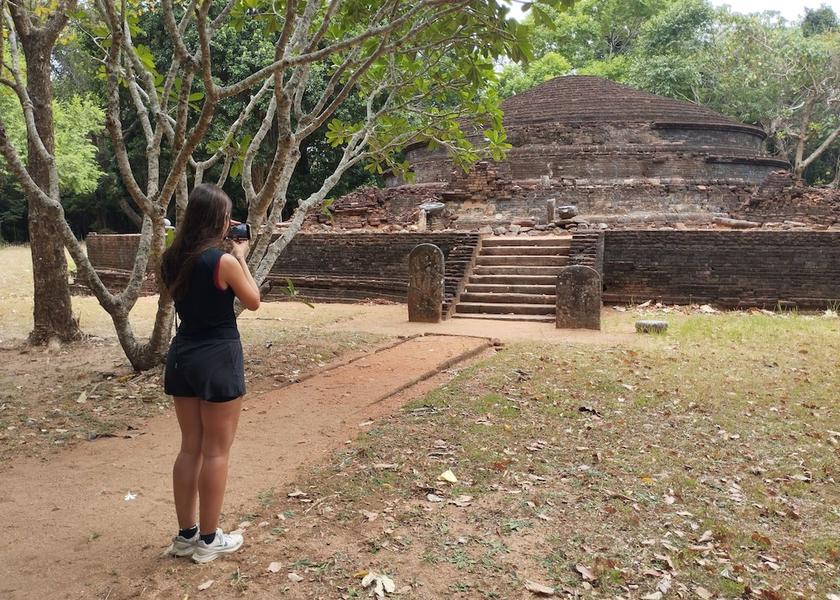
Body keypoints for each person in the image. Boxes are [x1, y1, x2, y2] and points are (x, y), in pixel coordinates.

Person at [159, 184, 261, 563]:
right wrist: (241, 255)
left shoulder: (172, 257)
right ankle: (208, 540)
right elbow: (253, 302)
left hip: (183, 354)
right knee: (217, 451)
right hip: (217, 355)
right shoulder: (223, 260)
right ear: (219, 219)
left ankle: (186, 536)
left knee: (190, 447)